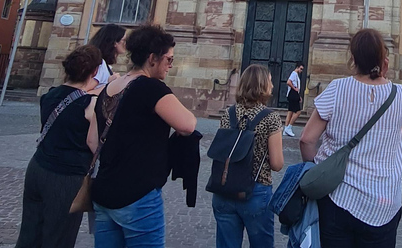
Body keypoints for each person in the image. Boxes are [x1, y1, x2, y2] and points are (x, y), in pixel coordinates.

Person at [299, 28, 402, 248]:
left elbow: (306, 139)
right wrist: (382, 75)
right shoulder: (398, 93)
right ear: (383, 58)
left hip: (338, 195)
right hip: (383, 201)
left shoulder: (337, 88)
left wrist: (318, 170)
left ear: (352, 57)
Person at [92, 24, 197, 248]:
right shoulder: (151, 88)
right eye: (169, 59)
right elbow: (188, 125)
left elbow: (91, 142)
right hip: (137, 194)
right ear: (152, 58)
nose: (171, 65)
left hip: (104, 190)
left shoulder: (109, 88)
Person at [15, 45, 102, 248]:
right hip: (66, 176)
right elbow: (93, 142)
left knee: (29, 233)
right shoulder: (90, 104)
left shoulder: (50, 95)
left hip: (38, 167)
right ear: (95, 71)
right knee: (59, 237)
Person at [212, 64, 284, 248]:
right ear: (262, 85)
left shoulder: (228, 113)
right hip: (255, 190)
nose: (272, 85)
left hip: (225, 188)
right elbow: (277, 164)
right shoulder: (271, 117)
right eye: (269, 81)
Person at [89, 24, 127, 90]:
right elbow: (85, 92)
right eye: (124, 40)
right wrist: (110, 84)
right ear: (115, 42)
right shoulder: (100, 65)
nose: (126, 43)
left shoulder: (104, 64)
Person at [283, 63, 304, 137]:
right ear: (297, 67)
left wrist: (298, 95)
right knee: (298, 112)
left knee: (290, 111)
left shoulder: (295, 74)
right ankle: (289, 127)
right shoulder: (294, 74)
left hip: (293, 93)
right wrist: (295, 89)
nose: (301, 70)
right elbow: (288, 82)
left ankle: (286, 129)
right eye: (300, 69)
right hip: (293, 93)